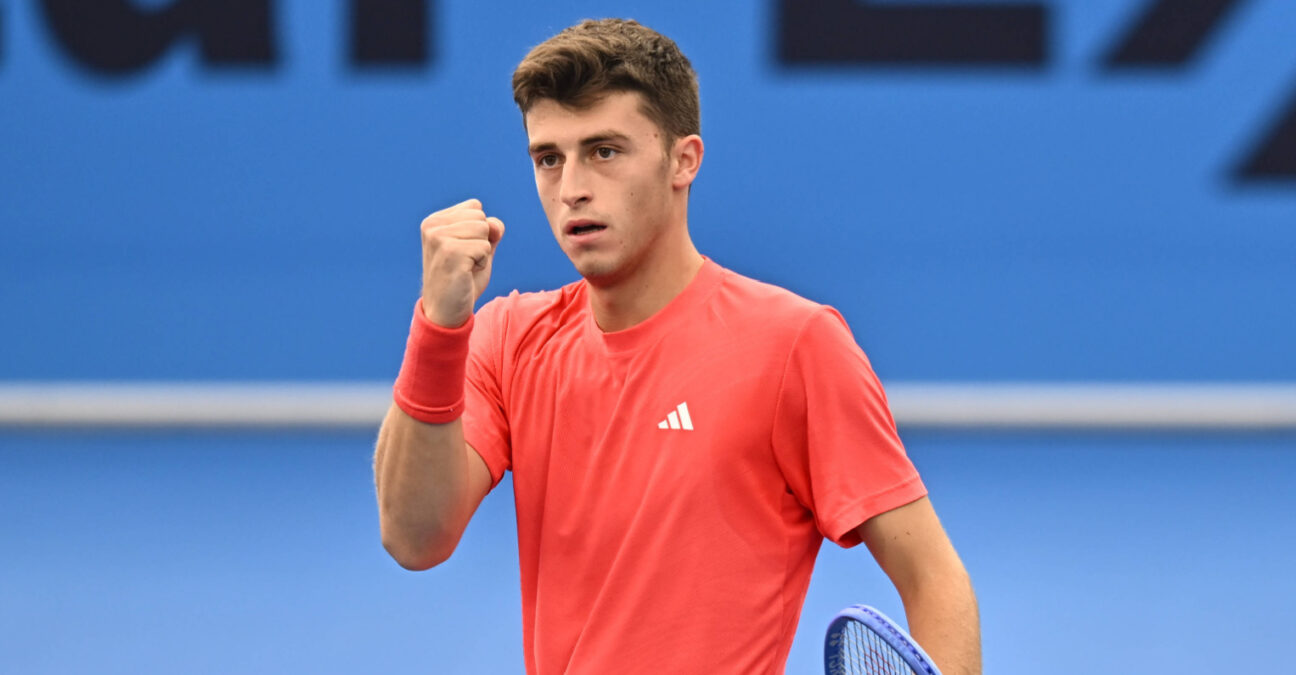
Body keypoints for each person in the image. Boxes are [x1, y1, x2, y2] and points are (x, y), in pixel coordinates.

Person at [373, 18, 980, 675]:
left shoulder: (795, 345)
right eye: (549, 158)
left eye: (604, 151)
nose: (571, 185)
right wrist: (440, 325)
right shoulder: (506, 336)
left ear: (683, 160)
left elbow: (935, 579)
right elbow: (414, 536)